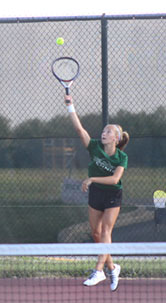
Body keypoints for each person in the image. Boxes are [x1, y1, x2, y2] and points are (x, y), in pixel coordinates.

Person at [65, 95, 129, 291]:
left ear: (116, 138)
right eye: (103, 130)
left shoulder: (121, 157)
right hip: (96, 195)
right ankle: (112, 266)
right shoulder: (94, 147)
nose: (104, 133)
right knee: (96, 233)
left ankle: (99, 271)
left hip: (112, 195)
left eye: (108, 131)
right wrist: (70, 106)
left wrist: (92, 178)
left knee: (106, 232)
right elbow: (79, 129)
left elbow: (115, 179)